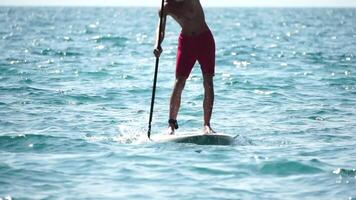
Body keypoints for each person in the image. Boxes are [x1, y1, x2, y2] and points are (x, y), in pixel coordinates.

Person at [153, 0, 216, 135]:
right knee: (179, 82)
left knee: (208, 81)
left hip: (205, 40)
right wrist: (157, 44)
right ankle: (171, 124)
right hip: (186, 42)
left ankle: (207, 125)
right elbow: (160, 30)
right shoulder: (165, 7)